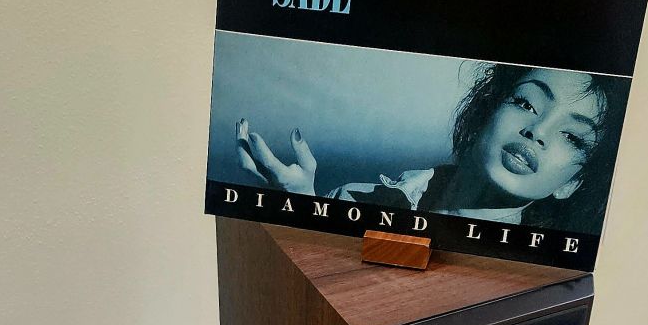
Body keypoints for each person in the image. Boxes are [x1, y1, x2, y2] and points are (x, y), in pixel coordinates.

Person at [235, 63, 627, 233]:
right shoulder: (355, 201)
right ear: (486, 112)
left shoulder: (538, 282)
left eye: (573, 136)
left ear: (573, 183)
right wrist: (302, 212)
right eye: (525, 103)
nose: (537, 130)